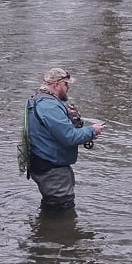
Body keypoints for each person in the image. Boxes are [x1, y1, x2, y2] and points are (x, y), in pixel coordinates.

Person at [26, 67, 104, 212]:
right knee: (62, 210)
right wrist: (92, 131)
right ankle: (55, 233)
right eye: (67, 85)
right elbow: (70, 137)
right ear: (56, 85)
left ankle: (43, 230)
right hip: (52, 170)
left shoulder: (40, 99)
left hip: (44, 164)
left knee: (51, 205)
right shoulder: (49, 106)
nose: (69, 88)